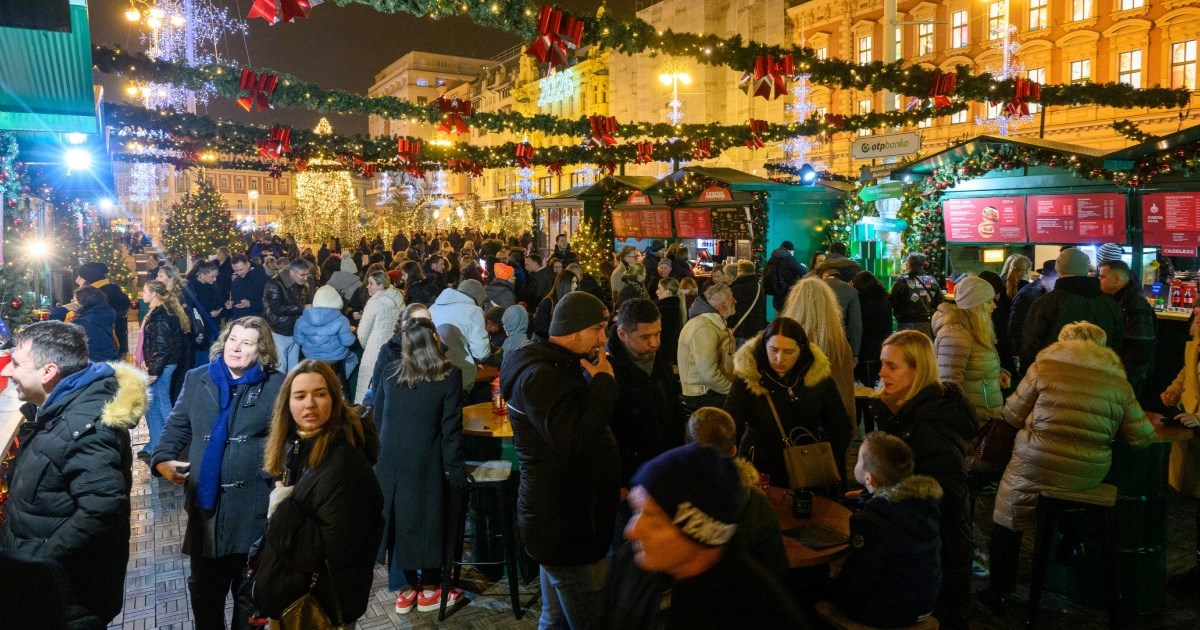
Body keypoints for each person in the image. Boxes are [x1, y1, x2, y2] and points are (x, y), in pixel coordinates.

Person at [982, 322, 1155, 614]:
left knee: (1007, 515)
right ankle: (1069, 542)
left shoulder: (1044, 368)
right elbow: (1141, 438)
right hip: (1088, 473)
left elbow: (1011, 415)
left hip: (1035, 463)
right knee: (1068, 499)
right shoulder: (1119, 383)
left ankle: (998, 591)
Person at [0, 321, 148, 629]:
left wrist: (39, 560)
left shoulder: (85, 426)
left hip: (67, 596)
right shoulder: (56, 410)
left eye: (16, 364)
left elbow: (102, 508)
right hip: (44, 586)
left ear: (48, 372)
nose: (7, 372)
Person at [152, 317, 284, 630]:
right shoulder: (197, 378)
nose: (236, 348)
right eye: (232, 339)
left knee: (248, 591)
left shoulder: (276, 384)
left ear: (261, 350)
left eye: (247, 343)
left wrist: (281, 478)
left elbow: (288, 437)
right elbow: (177, 425)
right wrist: (162, 460)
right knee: (204, 591)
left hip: (252, 504)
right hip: (205, 507)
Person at [499, 292, 619, 629]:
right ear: (575, 329)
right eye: (598, 328)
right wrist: (604, 384)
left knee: (554, 620)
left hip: (565, 519)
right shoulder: (541, 375)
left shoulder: (556, 366)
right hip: (566, 527)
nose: (603, 338)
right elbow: (574, 439)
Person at [604, 444, 808, 628]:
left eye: (654, 520)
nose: (631, 531)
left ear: (700, 533)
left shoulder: (761, 612)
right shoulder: (630, 562)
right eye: (637, 510)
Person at [253, 361, 384, 626]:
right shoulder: (299, 445)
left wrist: (282, 509)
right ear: (287, 404)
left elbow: (331, 552)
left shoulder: (344, 461)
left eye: (320, 394)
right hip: (296, 598)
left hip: (321, 607)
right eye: (300, 396)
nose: (310, 404)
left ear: (334, 399)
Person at [864, 330, 977, 629]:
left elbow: (948, 493)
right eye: (882, 364)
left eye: (891, 366)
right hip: (926, 542)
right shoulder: (908, 412)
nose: (881, 372)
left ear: (918, 371)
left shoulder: (930, 424)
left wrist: (888, 493)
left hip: (939, 551)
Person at [372, 318, 467, 613]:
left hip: (388, 461)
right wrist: (455, 469)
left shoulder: (389, 373)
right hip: (425, 459)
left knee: (399, 522)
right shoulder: (449, 376)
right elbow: (451, 430)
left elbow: (377, 417)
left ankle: (404, 591)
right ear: (434, 341)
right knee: (428, 520)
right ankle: (429, 590)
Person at [725, 316, 852, 487]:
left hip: (807, 466)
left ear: (801, 350)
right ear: (764, 347)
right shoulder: (748, 378)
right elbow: (731, 425)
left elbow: (839, 427)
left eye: (788, 352)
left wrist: (828, 459)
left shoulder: (818, 378)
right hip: (760, 468)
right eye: (774, 350)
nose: (779, 359)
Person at [833, 432, 943, 628]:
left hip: (889, 611)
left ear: (869, 478)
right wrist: (870, 497)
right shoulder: (923, 504)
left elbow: (859, 575)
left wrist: (833, 588)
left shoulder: (870, 521)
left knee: (812, 591)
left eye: (858, 460)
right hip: (925, 603)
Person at [684, 407, 788, 580]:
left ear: (685, 446)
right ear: (733, 450)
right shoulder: (757, 501)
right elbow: (777, 567)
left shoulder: (668, 496)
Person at [607, 298, 687, 487]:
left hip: (666, 466)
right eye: (645, 337)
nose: (654, 343)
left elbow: (673, 403)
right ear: (622, 334)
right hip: (632, 478)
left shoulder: (660, 358)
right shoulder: (606, 370)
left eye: (657, 334)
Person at [1020, 248, 1124, 370]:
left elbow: (1031, 344)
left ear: (1058, 270)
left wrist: (1028, 373)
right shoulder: (1109, 303)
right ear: (1085, 270)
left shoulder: (1045, 303)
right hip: (1099, 376)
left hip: (1056, 377)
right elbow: (1118, 342)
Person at [931, 276, 1007, 424]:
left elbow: (971, 367)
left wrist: (996, 373)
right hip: (970, 423)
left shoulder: (974, 331)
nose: (994, 306)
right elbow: (950, 387)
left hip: (982, 419)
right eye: (988, 302)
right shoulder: (956, 335)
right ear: (975, 306)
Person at [1161, 310, 1200, 591]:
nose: (1193, 320)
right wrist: (1174, 390)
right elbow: (1187, 372)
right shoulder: (1195, 343)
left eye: (1198, 316)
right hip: (1194, 434)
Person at [780, 278, 856, 421]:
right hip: (829, 425)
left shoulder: (786, 343)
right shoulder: (839, 344)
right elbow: (846, 392)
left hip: (793, 424)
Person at [138, 280, 188, 458]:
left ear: (154, 294)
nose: (142, 294)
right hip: (160, 364)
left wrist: (153, 370)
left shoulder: (161, 315)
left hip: (162, 366)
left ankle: (171, 443)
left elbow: (163, 346)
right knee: (153, 404)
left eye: (144, 291)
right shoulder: (161, 312)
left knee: (160, 402)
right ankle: (158, 443)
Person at [1099, 259, 1156, 396]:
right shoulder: (1118, 301)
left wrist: (1124, 374)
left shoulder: (1134, 304)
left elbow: (1140, 344)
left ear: (1117, 280)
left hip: (1128, 375)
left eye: (1102, 276)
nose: (1098, 280)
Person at [677, 283, 737, 411]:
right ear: (722, 306)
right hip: (703, 395)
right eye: (732, 299)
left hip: (708, 391)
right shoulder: (704, 328)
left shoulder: (708, 324)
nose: (735, 301)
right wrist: (733, 390)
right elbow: (709, 375)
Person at [430, 279, 491, 393]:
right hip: (459, 374)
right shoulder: (473, 311)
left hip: (432, 372)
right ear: (478, 297)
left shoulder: (434, 307)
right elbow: (481, 352)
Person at [356, 270, 406, 403]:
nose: (367, 286)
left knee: (369, 388)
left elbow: (362, 332)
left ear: (381, 286)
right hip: (395, 349)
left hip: (374, 350)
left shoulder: (373, 302)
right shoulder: (399, 299)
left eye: (371, 283)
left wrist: (367, 346)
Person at [294, 285, 358, 386]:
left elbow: (299, 341)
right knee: (353, 359)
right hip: (335, 358)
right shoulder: (342, 320)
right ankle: (337, 384)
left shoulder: (301, 319)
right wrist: (353, 333)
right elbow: (348, 342)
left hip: (310, 357)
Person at [1008, 261, 1056, 375]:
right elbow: (1016, 326)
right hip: (1032, 354)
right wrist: (1020, 353)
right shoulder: (1028, 294)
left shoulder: (1040, 292)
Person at [263, 258, 311, 373]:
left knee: (293, 370)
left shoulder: (298, 284)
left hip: (293, 329)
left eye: (307, 274)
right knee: (280, 369)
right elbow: (277, 308)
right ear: (291, 272)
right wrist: (302, 308)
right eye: (302, 274)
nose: (305, 277)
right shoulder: (274, 284)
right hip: (279, 331)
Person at [75, 261, 132, 357]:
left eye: (80, 277)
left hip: (104, 346)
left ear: (88, 278)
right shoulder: (113, 290)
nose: (77, 280)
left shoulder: (96, 296)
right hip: (116, 345)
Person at [889, 252, 944, 338]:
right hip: (926, 324)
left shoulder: (902, 281)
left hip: (905, 324)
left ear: (909, 265)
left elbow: (891, 301)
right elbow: (940, 301)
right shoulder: (931, 281)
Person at [852, 271, 893, 387]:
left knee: (865, 383)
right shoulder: (884, 299)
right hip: (882, 345)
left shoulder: (858, 301)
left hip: (864, 348)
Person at [817, 261, 863, 359]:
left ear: (825, 275)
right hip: (839, 341)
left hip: (817, 342)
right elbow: (856, 324)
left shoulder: (815, 288)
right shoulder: (851, 291)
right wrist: (855, 353)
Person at [997, 255, 1032, 375]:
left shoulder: (999, 287)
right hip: (1019, 345)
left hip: (1001, 342)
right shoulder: (1029, 291)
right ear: (1027, 270)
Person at [71, 285, 120, 362]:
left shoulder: (83, 322)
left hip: (94, 362)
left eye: (75, 301)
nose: (72, 303)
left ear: (83, 302)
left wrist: (62, 309)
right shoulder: (104, 313)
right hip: (111, 359)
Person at [530, 270, 578, 339]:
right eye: (572, 282)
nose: (575, 286)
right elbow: (540, 329)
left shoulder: (572, 301)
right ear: (564, 284)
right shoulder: (548, 303)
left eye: (576, 282)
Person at [728, 260, 766, 342]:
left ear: (741, 271)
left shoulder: (737, 288)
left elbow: (732, 309)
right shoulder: (759, 287)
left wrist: (729, 325)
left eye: (737, 270)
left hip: (740, 329)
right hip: (756, 328)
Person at [764, 240, 805, 311]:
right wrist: (803, 266)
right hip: (788, 296)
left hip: (777, 296)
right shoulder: (789, 259)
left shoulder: (772, 259)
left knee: (779, 316)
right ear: (791, 250)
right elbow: (803, 271)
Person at [654, 277, 686, 366]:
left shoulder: (665, 309)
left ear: (668, 291)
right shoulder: (673, 306)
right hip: (668, 352)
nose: (656, 292)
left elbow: (664, 335)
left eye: (659, 288)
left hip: (663, 352)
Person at [226, 254, 269, 320]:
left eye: (241, 270)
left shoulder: (261, 277)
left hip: (256, 319)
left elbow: (270, 301)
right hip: (239, 319)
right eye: (235, 271)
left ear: (248, 264)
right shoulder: (236, 281)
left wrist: (250, 304)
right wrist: (230, 304)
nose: (239, 273)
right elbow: (234, 299)